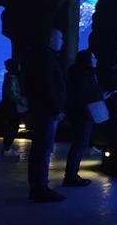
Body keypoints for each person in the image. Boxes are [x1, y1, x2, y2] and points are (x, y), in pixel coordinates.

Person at [24, 28, 67, 202]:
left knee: (40, 149)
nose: (63, 41)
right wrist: (56, 109)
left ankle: (37, 187)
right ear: (50, 39)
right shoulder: (46, 58)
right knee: (43, 150)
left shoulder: (41, 56)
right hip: (47, 112)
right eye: (60, 38)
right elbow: (47, 87)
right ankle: (41, 188)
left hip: (42, 110)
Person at [63, 49, 109, 186]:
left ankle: (71, 174)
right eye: (93, 57)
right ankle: (71, 176)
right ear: (87, 59)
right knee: (80, 144)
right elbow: (87, 92)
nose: (96, 60)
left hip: (79, 112)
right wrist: (101, 95)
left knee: (79, 143)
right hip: (82, 113)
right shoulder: (83, 73)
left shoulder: (77, 71)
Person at [0, 59, 29, 156]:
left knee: (12, 127)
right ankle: (7, 149)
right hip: (13, 107)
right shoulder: (12, 78)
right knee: (12, 127)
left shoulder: (11, 77)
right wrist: (24, 101)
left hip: (13, 106)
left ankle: (7, 148)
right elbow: (13, 94)